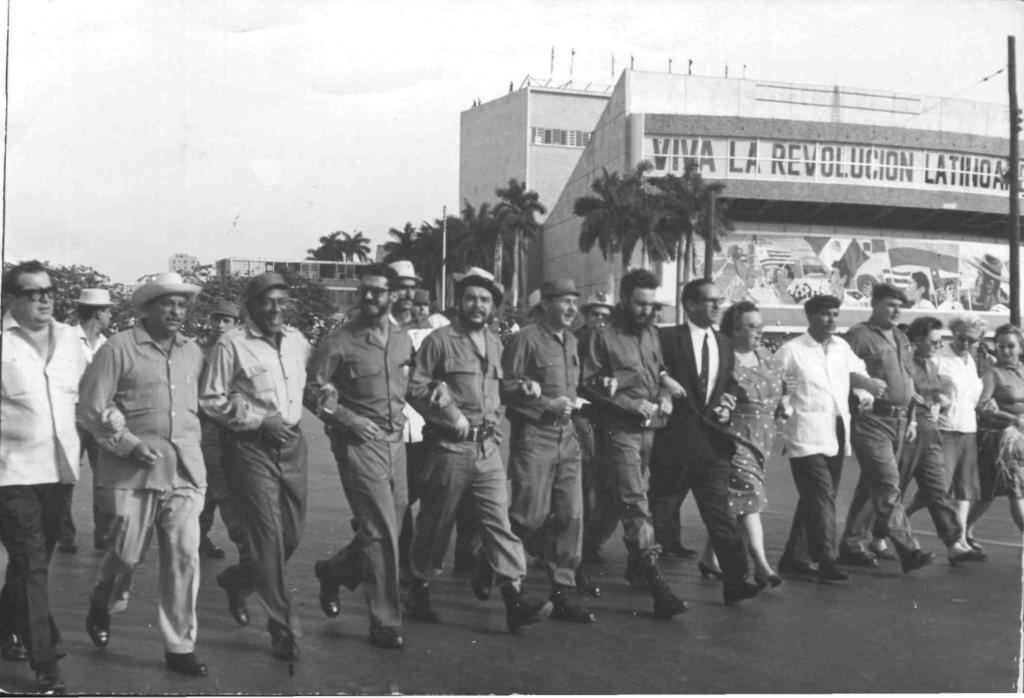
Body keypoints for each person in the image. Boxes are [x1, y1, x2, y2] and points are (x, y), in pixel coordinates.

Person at [404, 267, 553, 633]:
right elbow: (416, 387)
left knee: (498, 521)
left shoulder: (497, 343)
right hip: (450, 449)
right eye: (471, 297)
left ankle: (514, 598)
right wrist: (448, 412)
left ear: (493, 306)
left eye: (485, 299)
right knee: (435, 525)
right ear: (459, 302)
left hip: (487, 449)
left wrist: (521, 390)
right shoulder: (440, 340)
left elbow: (500, 391)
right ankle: (418, 587)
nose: (477, 304)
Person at [78, 272, 209, 677]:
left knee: (185, 554)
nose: (176, 311)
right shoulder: (118, 349)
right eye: (167, 303)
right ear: (147, 308)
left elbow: (205, 404)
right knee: (126, 555)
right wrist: (131, 444)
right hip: (132, 472)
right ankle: (104, 599)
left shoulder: (194, 353)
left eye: (182, 304)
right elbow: (91, 409)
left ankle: (180, 645)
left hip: (185, 471)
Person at [199, 272, 312, 662]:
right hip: (251, 447)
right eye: (268, 301)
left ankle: (238, 580)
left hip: (293, 444)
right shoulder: (232, 344)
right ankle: (283, 628)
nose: (277, 309)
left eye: (282, 301)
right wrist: (258, 421)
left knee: (291, 536)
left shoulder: (298, 341)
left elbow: (307, 387)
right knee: (268, 537)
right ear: (251, 306)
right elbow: (210, 399)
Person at [307, 264, 414, 649]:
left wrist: (443, 402)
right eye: (364, 291)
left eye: (377, 292)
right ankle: (385, 620)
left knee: (391, 526)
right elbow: (313, 391)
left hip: (395, 443)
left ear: (392, 295)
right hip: (359, 444)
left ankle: (334, 571)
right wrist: (349, 420)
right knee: (380, 529)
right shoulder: (341, 342)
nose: (369, 297)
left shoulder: (402, 340)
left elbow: (410, 386)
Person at [580, 269, 689, 618]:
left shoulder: (651, 335)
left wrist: (664, 395)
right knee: (635, 501)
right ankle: (656, 580)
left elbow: (654, 374)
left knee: (616, 499)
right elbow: (587, 384)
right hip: (617, 429)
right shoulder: (602, 336)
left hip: (649, 431)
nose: (646, 310)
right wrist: (629, 404)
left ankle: (580, 550)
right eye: (640, 303)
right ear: (624, 299)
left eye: (651, 304)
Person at [0, 261, 86, 694]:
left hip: (60, 471)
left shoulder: (72, 340)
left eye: (48, 291)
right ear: (11, 299)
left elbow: (92, 395)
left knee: (31, 562)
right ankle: (45, 660)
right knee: (33, 563)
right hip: (10, 473)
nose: (45, 299)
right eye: (33, 293)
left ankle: (5, 624)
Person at [650, 279, 764, 606]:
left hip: (713, 444)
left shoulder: (724, 343)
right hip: (674, 442)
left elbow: (728, 382)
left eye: (719, 301)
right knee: (662, 511)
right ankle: (641, 566)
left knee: (720, 515)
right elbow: (649, 367)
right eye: (709, 301)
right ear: (689, 305)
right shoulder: (667, 337)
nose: (717, 307)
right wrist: (663, 382)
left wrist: (728, 400)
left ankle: (735, 580)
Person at [502, 278, 596, 624]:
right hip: (535, 436)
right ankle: (493, 561)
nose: (572, 308)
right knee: (530, 515)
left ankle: (563, 590)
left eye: (575, 301)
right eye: (565, 301)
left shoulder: (571, 341)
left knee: (571, 516)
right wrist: (543, 402)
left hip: (567, 438)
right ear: (546, 304)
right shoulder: (525, 339)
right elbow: (505, 387)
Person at [851, 317, 982, 563]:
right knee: (888, 488)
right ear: (917, 340)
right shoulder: (905, 362)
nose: (937, 345)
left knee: (937, 488)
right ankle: (871, 538)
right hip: (909, 430)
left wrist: (939, 401)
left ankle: (954, 542)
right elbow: (900, 393)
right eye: (933, 341)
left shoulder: (931, 364)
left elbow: (940, 392)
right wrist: (913, 415)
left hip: (929, 431)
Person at [776, 294, 880, 582]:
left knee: (816, 497)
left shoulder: (841, 347)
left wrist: (863, 392)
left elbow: (858, 373)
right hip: (805, 431)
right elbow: (775, 387)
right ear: (809, 316)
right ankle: (827, 559)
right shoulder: (791, 351)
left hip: (836, 429)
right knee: (822, 496)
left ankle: (794, 556)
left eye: (835, 314)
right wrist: (783, 407)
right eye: (825, 314)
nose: (831, 319)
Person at [836, 284, 935, 573]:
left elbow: (908, 376)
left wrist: (913, 416)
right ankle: (909, 549)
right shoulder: (858, 336)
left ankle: (852, 544)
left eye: (900, 306)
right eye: (890, 305)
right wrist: (861, 389)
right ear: (875, 304)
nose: (896, 311)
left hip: (901, 421)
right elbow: (840, 371)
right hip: (872, 421)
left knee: (871, 486)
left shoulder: (902, 337)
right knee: (888, 484)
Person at [697, 301, 787, 588]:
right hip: (733, 438)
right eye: (751, 326)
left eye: (760, 326)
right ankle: (761, 565)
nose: (758, 332)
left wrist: (784, 403)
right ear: (733, 329)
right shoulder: (722, 359)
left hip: (763, 438)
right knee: (750, 498)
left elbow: (780, 388)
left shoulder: (767, 356)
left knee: (734, 502)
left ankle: (710, 558)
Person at [57, 287, 114, 554]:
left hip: (98, 417)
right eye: (108, 310)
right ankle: (64, 535)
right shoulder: (65, 338)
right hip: (70, 417)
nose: (111, 315)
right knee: (65, 478)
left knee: (104, 478)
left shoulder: (107, 344)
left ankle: (102, 535)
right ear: (98, 312)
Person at [197, 300, 250, 561]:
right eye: (216, 319)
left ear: (236, 324)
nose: (220, 325)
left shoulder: (240, 352)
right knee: (219, 486)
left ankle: (199, 535)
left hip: (235, 429)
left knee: (219, 486)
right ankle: (242, 542)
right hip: (207, 428)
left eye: (226, 320)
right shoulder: (199, 352)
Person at [577, 291, 624, 569]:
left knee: (613, 485)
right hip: (581, 417)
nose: (599, 320)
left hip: (610, 418)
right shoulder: (575, 339)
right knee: (586, 484)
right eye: (594, 314)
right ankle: (581, 542)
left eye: (605, 315)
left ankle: (593, 540)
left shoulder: (615, 341)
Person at [967, 324, 1024, 536]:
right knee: (1016, 491)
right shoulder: (992, 374)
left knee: (988, 493)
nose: (1006, 351)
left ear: (1020, 347)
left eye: (1011, 346)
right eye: (1001, 347)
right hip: (1000, 441)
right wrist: (1011, 418)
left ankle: (965, 531)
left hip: (1021, 440)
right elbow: (981, 407)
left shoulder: (1022, 371)